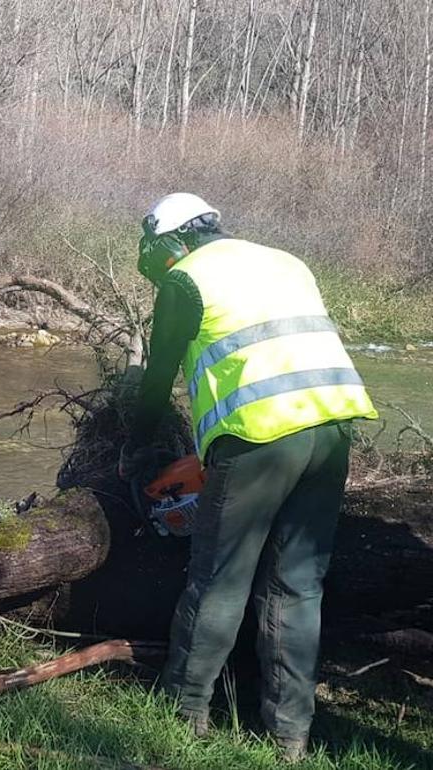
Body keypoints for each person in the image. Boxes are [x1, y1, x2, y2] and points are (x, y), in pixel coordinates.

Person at [119, 193, 378, 761]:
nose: (156, 265)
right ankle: (290, 735)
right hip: (332, 428)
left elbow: (159, 373)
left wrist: (135, 446)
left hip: (260, 434)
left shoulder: (186, 279)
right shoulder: (284, 261)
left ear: (174, 241)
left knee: (219, 578)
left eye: (155, 253)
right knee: (298, 586)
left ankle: (182, 714)